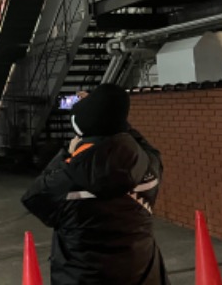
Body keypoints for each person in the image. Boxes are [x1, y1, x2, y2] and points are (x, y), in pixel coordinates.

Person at [21, 84, 171, 284]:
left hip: (83, 278)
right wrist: (109, 113)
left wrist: (66, 154)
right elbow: (140, 142)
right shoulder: (149, 165)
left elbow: (33, 198)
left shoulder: (68, 178)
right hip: (143, 275)